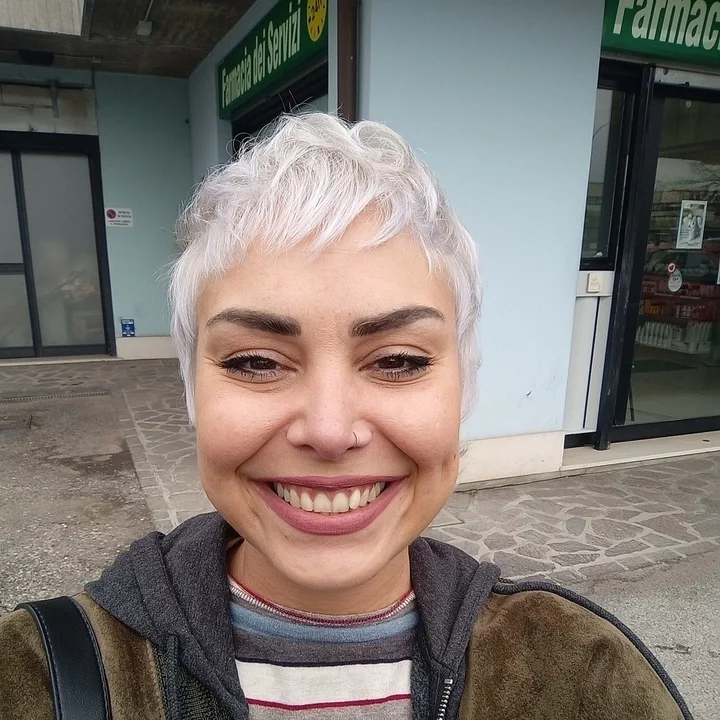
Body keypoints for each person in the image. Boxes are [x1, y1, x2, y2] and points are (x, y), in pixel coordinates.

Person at [0, 113, 692, 720]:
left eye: (398, 360)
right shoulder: (40, 675)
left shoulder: (582, 673)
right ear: (193, 391)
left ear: (465, 388)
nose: (330, 431)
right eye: (256, 362)